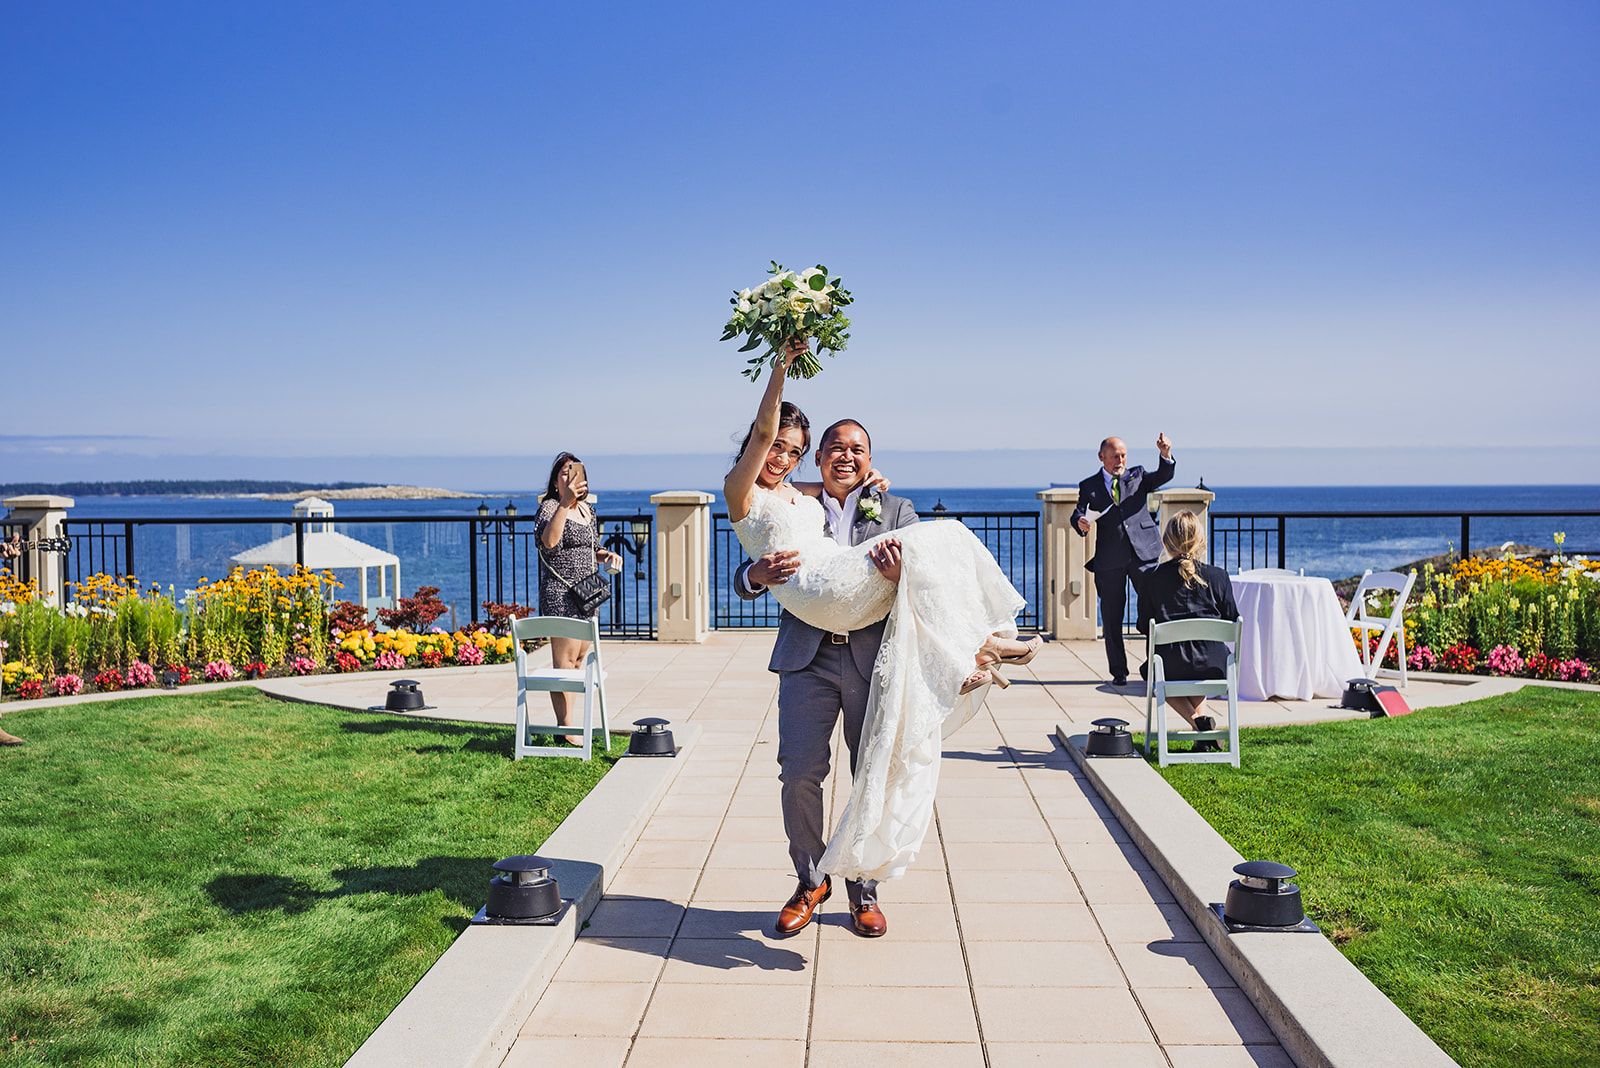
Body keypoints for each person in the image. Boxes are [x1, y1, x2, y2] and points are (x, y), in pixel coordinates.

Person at [728, 338, 1036, 939]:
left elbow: (922, 584)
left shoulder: (891, 508)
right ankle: (808, 878)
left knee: (875, 769)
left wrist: (900, 575)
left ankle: (861, 888)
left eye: (857, 451)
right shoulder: (786, 496)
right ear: (818, 459)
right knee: (799, 774)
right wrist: (751, 576)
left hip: (873, 657)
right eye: (828, 449)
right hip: (807, 656)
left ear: (868, 460)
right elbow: (758, 543)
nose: (782, 457)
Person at [1070, 434, 1175, 686]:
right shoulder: (1089, 485)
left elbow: (1163, 477)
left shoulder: (1137, 475)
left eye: (1124, 455)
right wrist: (1080, 523)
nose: (1120, 460)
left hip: (1145, 554)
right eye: (1115, 455)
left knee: (1153, 611)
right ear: (1102, 457)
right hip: (1109, 559)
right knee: (1112, 616)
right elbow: (1078, 513)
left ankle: (1154, 667)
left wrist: (1165, 455)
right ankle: (1119, 672)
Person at [535, 453, 623, 741]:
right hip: (561, 594)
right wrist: (564, 503)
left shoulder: (587, 511)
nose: (569, 477)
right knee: (564, 662)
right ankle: (566, 727)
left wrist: (605, 554)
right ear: (555, 480)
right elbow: (549, 543)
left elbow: (590, 547)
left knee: (579, 659)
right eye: (563, 473)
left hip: (586, 591)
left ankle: (570, 726)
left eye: (574, 472)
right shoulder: (549, 507)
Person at [1140, 511, 1240, 751]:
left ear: (1166, 542)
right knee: (1194, 663)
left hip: (1170, 665)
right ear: (1200, 541)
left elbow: (1144, 625)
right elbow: (1232, 619)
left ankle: (1199, 724)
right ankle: (1202, 735)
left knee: (1154, 673)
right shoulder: (1219, 576)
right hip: (1214, 665)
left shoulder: (1152, 578)